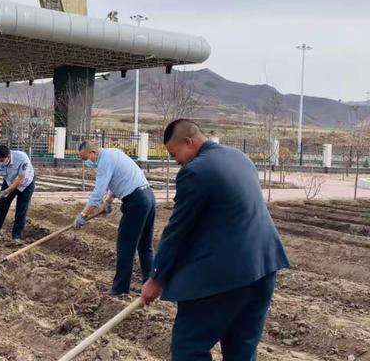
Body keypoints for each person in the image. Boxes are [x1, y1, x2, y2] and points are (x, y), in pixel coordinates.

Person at [141, 119, 290, 361]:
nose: (175, 161)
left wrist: (156, 278)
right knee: (241, 349)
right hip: (263, 268)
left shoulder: (196, 171)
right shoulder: (238, 156)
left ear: (189, 142)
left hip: (225, 277)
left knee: (189, 347)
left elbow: (178, 230)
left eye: (174, 153)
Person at [74, 140, 156, 295]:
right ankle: (150, 285)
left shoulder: (104, 161)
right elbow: (117, 180)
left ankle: (120, 289)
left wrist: (83, 214)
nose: (86, 162)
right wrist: (109, 201)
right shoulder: (114, 153)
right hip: (148, 198)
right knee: (145, 246)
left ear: (93, 153)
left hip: (136, 202)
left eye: (85, 159)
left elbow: (98, 193)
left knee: (125, 246)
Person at [0, 145, 35, 245]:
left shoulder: (22, 158)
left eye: (2, 160)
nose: (0, 163)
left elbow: (20, 180)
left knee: (21, 210)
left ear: (8, 156)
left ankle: (17, 237)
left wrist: (7, 191)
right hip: (9, 181)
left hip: (26, 184)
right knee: (1, 207)